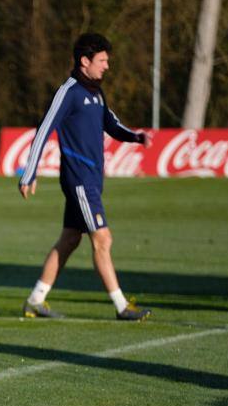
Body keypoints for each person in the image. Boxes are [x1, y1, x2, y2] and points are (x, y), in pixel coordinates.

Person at [18, 33, 152, 321]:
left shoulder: (95, 93)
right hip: (79, 180)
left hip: (92, 180)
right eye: (102, 61)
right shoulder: (68, 92)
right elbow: (43, 130)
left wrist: (136, 137)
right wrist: (29, 173)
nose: (107, 66)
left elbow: (112, 124)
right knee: (102, 239)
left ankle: (35, 300)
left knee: (69, 240)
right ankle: (121, 306)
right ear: (85, 61)